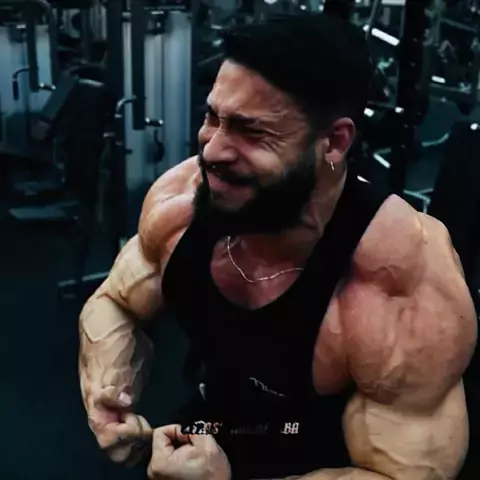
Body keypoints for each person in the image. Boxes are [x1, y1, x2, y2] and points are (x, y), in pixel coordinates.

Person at [79, 13, 477, 480]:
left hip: (328, 461)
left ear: (334, 142)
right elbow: (116, 303)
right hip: (209, 429)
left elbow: (402, 475)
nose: (211, 151)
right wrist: (110, 390)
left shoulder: (398, 285)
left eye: (251, 132)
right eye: (213, 118)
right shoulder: (181, 203)